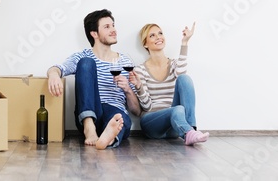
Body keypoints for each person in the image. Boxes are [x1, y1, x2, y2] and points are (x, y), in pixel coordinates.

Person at [47, 9, 141, 149]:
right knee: (86, 62)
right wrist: (54, 75)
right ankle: (89, 127)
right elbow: (57, 68)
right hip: (91, 114)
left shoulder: (125, 61)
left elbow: (137, 111)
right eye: (107, 27)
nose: (113, 30)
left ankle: (108, 138)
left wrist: (127, 89)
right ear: (94, 34)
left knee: (120, 118)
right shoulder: (82, 56)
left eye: (113, 25)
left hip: (114, 111)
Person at [128, 22, 209, 145]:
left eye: (160, 33)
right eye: (152, 35)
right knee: (176, 110)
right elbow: (147, 107)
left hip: (175, 124)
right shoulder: (140, 70)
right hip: (152, 124)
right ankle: (189, 132)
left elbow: (181, 73)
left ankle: (191, 130)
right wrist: (139, 87)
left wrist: (185, 43)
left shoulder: (174, 65)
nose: (158, 37)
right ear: (145, 43)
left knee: (184, 80)